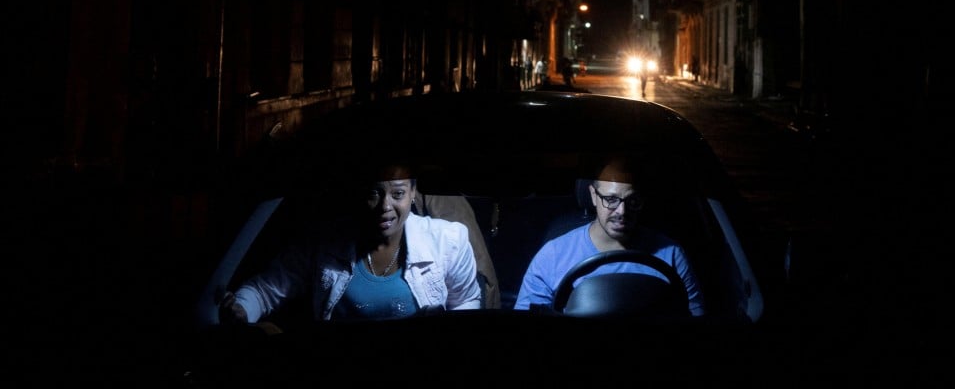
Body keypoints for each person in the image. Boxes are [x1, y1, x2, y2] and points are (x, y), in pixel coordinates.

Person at [220, 162, 482, 325]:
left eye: (398, 193)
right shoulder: (323, 242)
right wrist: (242, 309)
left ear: (413, 193)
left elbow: (467, 302)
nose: (385, 206)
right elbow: (268, 289)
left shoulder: (448, 241)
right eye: (374, 193)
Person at [513, 156, 705, 316]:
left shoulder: (671, 254)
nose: (621, 211)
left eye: (633, 201)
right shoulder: (553, 255)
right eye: (611, 199)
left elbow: (694, 321)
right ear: (594, 196)